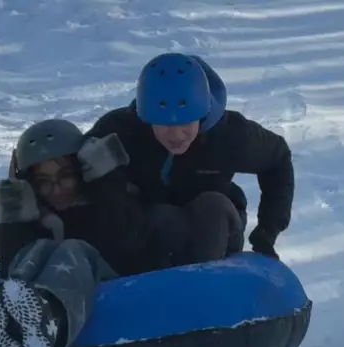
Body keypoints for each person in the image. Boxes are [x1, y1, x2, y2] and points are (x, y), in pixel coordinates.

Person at [83, 52, 295, 269]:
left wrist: (267, 231)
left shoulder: (230, 136)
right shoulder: (121, 132)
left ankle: (208, 284)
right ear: (147, 117)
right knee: (159, 215)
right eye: (164, 124)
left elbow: (278, 158)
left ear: (202, 115)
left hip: (215, 231)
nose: (176, 135)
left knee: (213, 207)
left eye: (186, 123)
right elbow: (68, 169)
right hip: (148, 232)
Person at [0, 118, 145, 347]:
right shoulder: (37, 211)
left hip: (109, 277)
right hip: (57, 284)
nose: (57, 189)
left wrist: (108, 180)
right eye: (44, 182)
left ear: (81, 171)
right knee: (41, 249)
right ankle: (14, 310)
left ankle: (49, 320)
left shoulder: (106, 199)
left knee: (72, 249)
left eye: (65, 176)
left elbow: (129, 229)